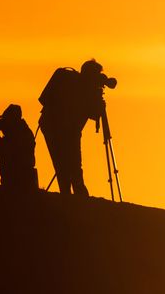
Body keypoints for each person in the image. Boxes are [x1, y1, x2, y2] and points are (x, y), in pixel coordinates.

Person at [38, 59, 113, 196]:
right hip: (55, 128)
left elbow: (92, 114)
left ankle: (75, 193)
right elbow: (89, 113)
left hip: (66, 129)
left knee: (70, 163)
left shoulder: (85, 89)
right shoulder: (72, 84)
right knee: (64, 163)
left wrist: (98, 103)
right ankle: (71, 195)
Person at [0, 104, 38, 192]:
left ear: (12, 121)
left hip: (20, 183)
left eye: (5, 120)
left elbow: (2, 153)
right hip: (14, 182)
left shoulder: (20, 135)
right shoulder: (20, 132)